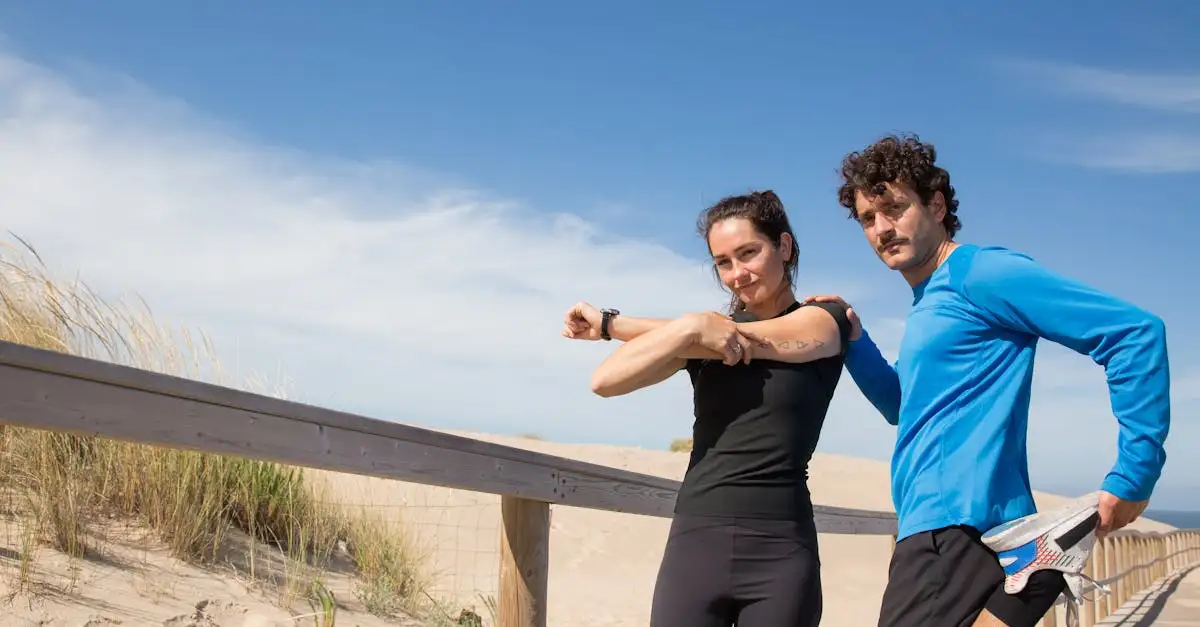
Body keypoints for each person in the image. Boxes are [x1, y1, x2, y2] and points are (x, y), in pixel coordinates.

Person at [804, 134, 1171, 627]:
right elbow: (904, 408)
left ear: (935, 205)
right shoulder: (929, 302)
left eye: (894, 208)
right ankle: (1040, 569)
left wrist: (1135, 472)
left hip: (954, 530)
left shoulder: (978, 272)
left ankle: (1040, 569)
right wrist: (856, 340)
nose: (881, 229)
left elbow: (1134, 334)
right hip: (949, 528)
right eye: (868, 219)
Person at [561, 189, 854, 627]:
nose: (737, 273)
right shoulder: (699, 339)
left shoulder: (824, 319)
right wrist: (682, 328)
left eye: (749, 253)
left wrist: (625, 325)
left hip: (781, 550)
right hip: (696, 541)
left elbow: (751, 337)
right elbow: (604, 381)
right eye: (723, 262)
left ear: (785, 246)